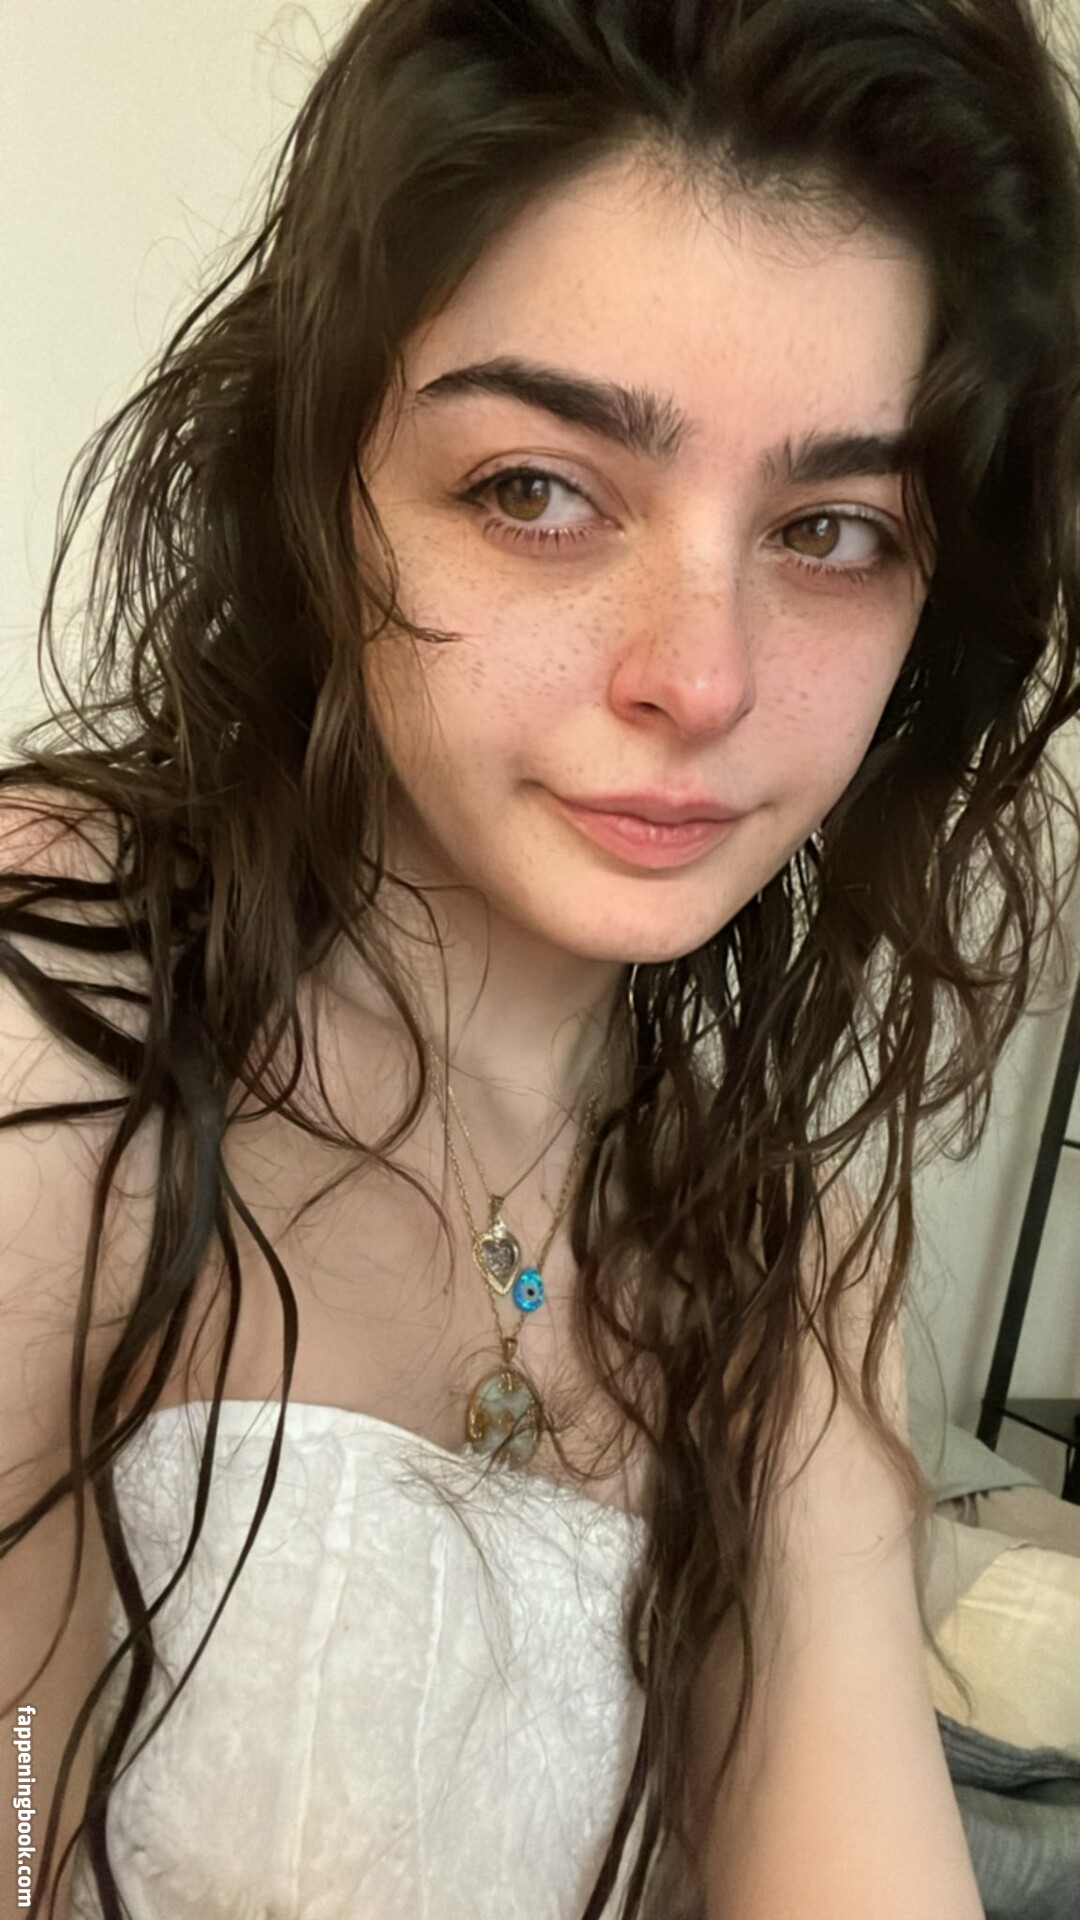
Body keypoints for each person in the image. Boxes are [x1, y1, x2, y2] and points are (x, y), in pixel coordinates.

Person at [2, 1, 1079, 1915]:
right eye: (537, 490)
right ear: (321, 484)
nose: (704, 678)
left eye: (833, 529)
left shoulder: (789, 1262)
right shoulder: (55, 1015)